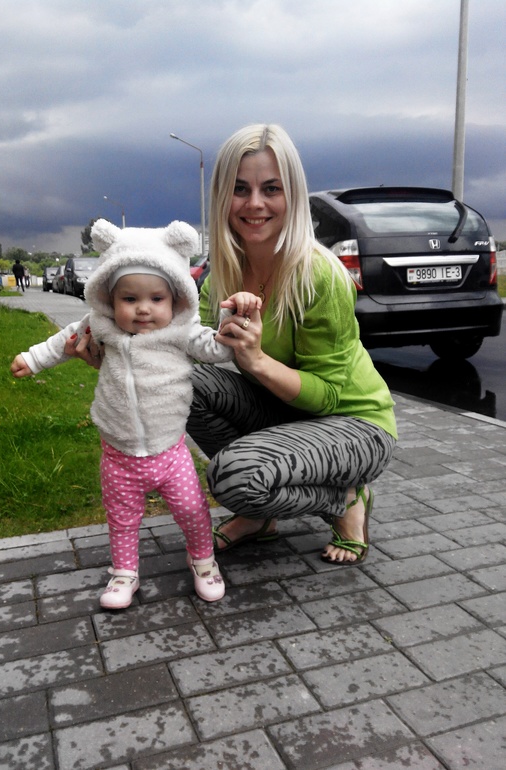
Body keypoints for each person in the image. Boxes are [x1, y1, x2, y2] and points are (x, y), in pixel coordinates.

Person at [10, 219, 258, 609]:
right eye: (129, 299)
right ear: (110, 299)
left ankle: (203, 561)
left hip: (170, 452)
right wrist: (33, 358)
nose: (143, 309)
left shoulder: (181, 331)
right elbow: (65, 339)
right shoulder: (101, 326)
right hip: (118, 453)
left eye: (156, 298)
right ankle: (124, 573)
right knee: (122, 519)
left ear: (175, 299)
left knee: (192, 511)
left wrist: (235, 324)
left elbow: (218, 348)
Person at [184, 123, 398, 565]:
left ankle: (345, 499)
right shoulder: (223, 271)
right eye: (240, 189)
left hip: (355, 424)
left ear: (293, 195)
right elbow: (189, 345)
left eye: (271, 189)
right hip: (286, 412)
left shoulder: (320, 274)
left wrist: (256, 361)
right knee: (179, 384)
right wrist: (120, 355)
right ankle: (260, 515)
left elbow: (329, 396)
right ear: (222, 196)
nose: (254, 203)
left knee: (234, 477)